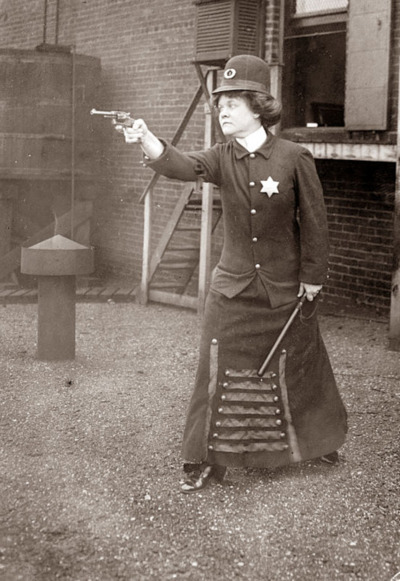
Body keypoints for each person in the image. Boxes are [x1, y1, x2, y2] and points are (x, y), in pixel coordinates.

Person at [116, 55, 348, 493]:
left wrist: (313, 277)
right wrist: (146, 138)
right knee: (215, 370)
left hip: (286, 290)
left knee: (300, 366)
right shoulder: (220, 157)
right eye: (218, 104)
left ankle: (318, 441)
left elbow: (315, 222)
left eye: (232, 104)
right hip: (232, 290)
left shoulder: (295, 157)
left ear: (258, 107)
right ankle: (203, 460)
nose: (221, 111)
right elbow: (182, 165)